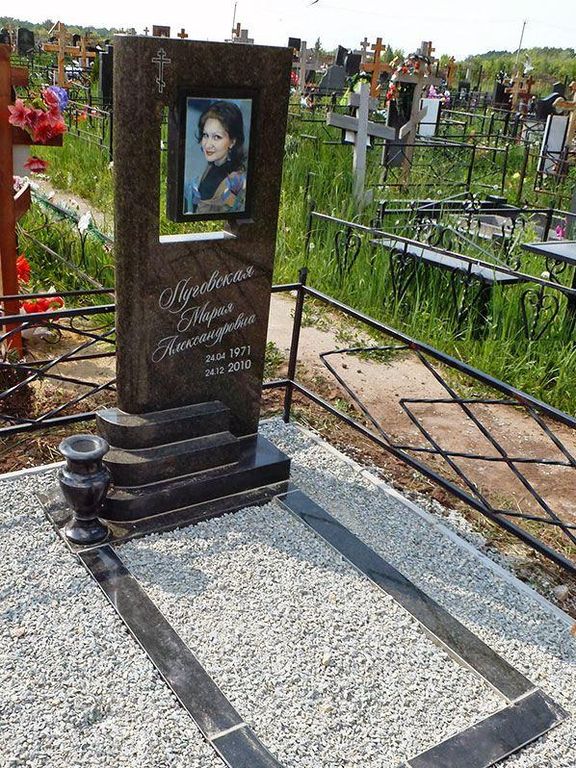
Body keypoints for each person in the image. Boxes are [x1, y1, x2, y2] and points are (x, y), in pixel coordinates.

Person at [184, 100, 247, 215]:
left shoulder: (235, 182)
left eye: (217, 137)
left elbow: (226, 215)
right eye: (205, 135)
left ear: (232, 142)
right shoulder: (213, 164)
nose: (208, 144)